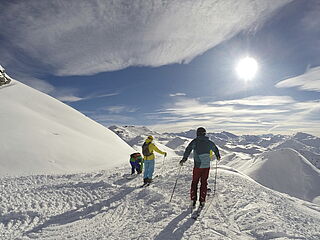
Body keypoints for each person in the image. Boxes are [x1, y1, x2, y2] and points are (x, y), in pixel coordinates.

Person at [179, 127, 220, 208]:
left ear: (197, 133)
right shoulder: (209, 142)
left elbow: (188, 149)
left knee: (195, 182)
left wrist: (184, 159)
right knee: (204, 182)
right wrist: (218, 156)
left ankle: (193, 200)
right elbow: (215, 149)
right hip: (206, 166)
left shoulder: (195, 142)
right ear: (205, 133)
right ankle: (202, 201)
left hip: (197, 166)